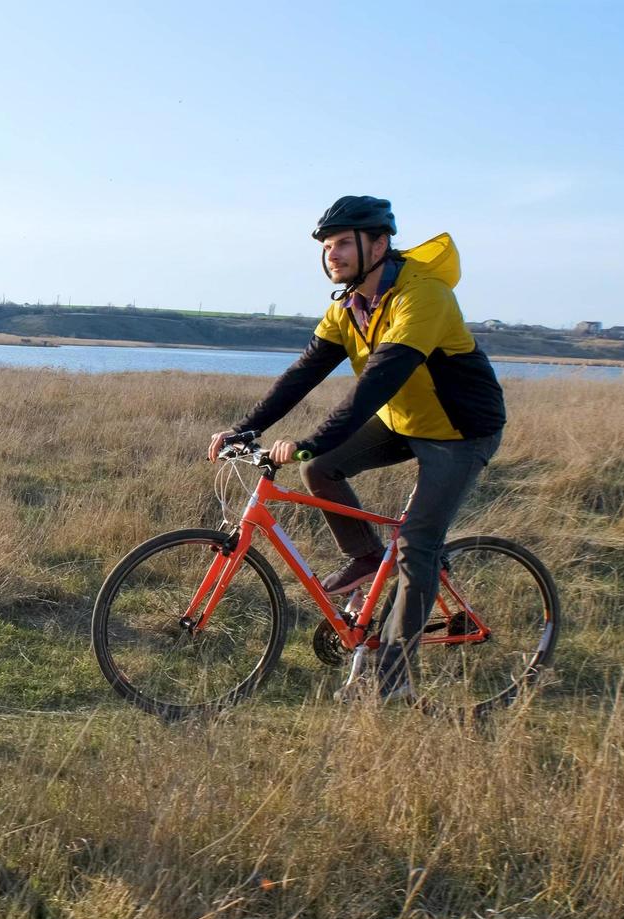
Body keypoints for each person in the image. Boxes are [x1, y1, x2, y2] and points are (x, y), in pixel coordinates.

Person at [207, 196, 506, 702]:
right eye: (327, 246)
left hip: (460, 432)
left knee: (417, 546)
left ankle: (391, 678)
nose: (333, 255)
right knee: (321, 469)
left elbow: (380, 380)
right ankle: (367, 556)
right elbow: (303, 373)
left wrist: (309, 439)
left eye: (343, 242)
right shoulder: (347, 307)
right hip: (404, 422)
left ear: (379, 243)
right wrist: (247, 428)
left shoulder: (423, 295)